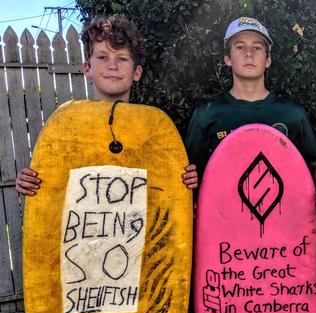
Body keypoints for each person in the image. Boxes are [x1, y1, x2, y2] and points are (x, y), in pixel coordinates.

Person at [15, 15, 198, 195]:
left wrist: (184, 179)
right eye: (103, 57)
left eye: (122, 58)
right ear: (87, 68)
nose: (112, 65)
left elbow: (164, 188)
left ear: (136, 72)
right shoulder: (67, 128)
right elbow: (54, 182)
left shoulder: (154, 130)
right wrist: (31, 181)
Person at [184, 16, 316, 188]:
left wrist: (315, 202)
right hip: (222, 215)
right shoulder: (206, 115)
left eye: (257, 47)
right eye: (240, 47)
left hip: (283, 214)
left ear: (268, 60)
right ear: (227, 58)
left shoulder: (292, 114)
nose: (249, 53)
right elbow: (188, 173)